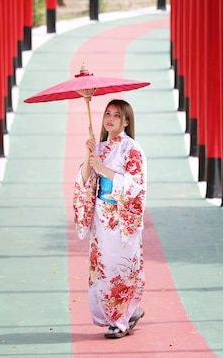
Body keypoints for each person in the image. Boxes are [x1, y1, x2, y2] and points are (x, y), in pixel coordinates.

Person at [72, 99, 147, 339]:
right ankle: (120, 315)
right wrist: (89, 153)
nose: (110, 119)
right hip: (102, 215)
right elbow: (84, 182)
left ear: (126, 121)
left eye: (117, 115)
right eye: (107, 113)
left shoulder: (132, 149)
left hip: (121, 218)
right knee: (103, 269)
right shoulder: (100, 148)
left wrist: (104, 169)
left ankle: (122, 319)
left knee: (120, 267)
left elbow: (136, 186)